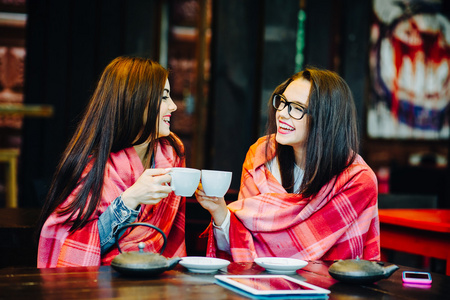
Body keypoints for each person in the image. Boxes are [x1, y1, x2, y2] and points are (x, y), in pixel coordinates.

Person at [195, 67, 380, 262]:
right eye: (282, 102)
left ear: (326, 118)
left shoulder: (356, 181)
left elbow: (303, 253)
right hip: (256, 285)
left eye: (298, 108)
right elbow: (240, 244)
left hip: (327, 288)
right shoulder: (260, 156)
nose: (282, 114)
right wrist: (220, 211)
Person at [37, 56, 186, 268]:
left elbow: (171, 241)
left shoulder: (172, 154)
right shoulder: (94, 165)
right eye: (163, 98)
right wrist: (128, 201)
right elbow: (67, 245)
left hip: (160, 278)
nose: (173, 106)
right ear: (134, 101)